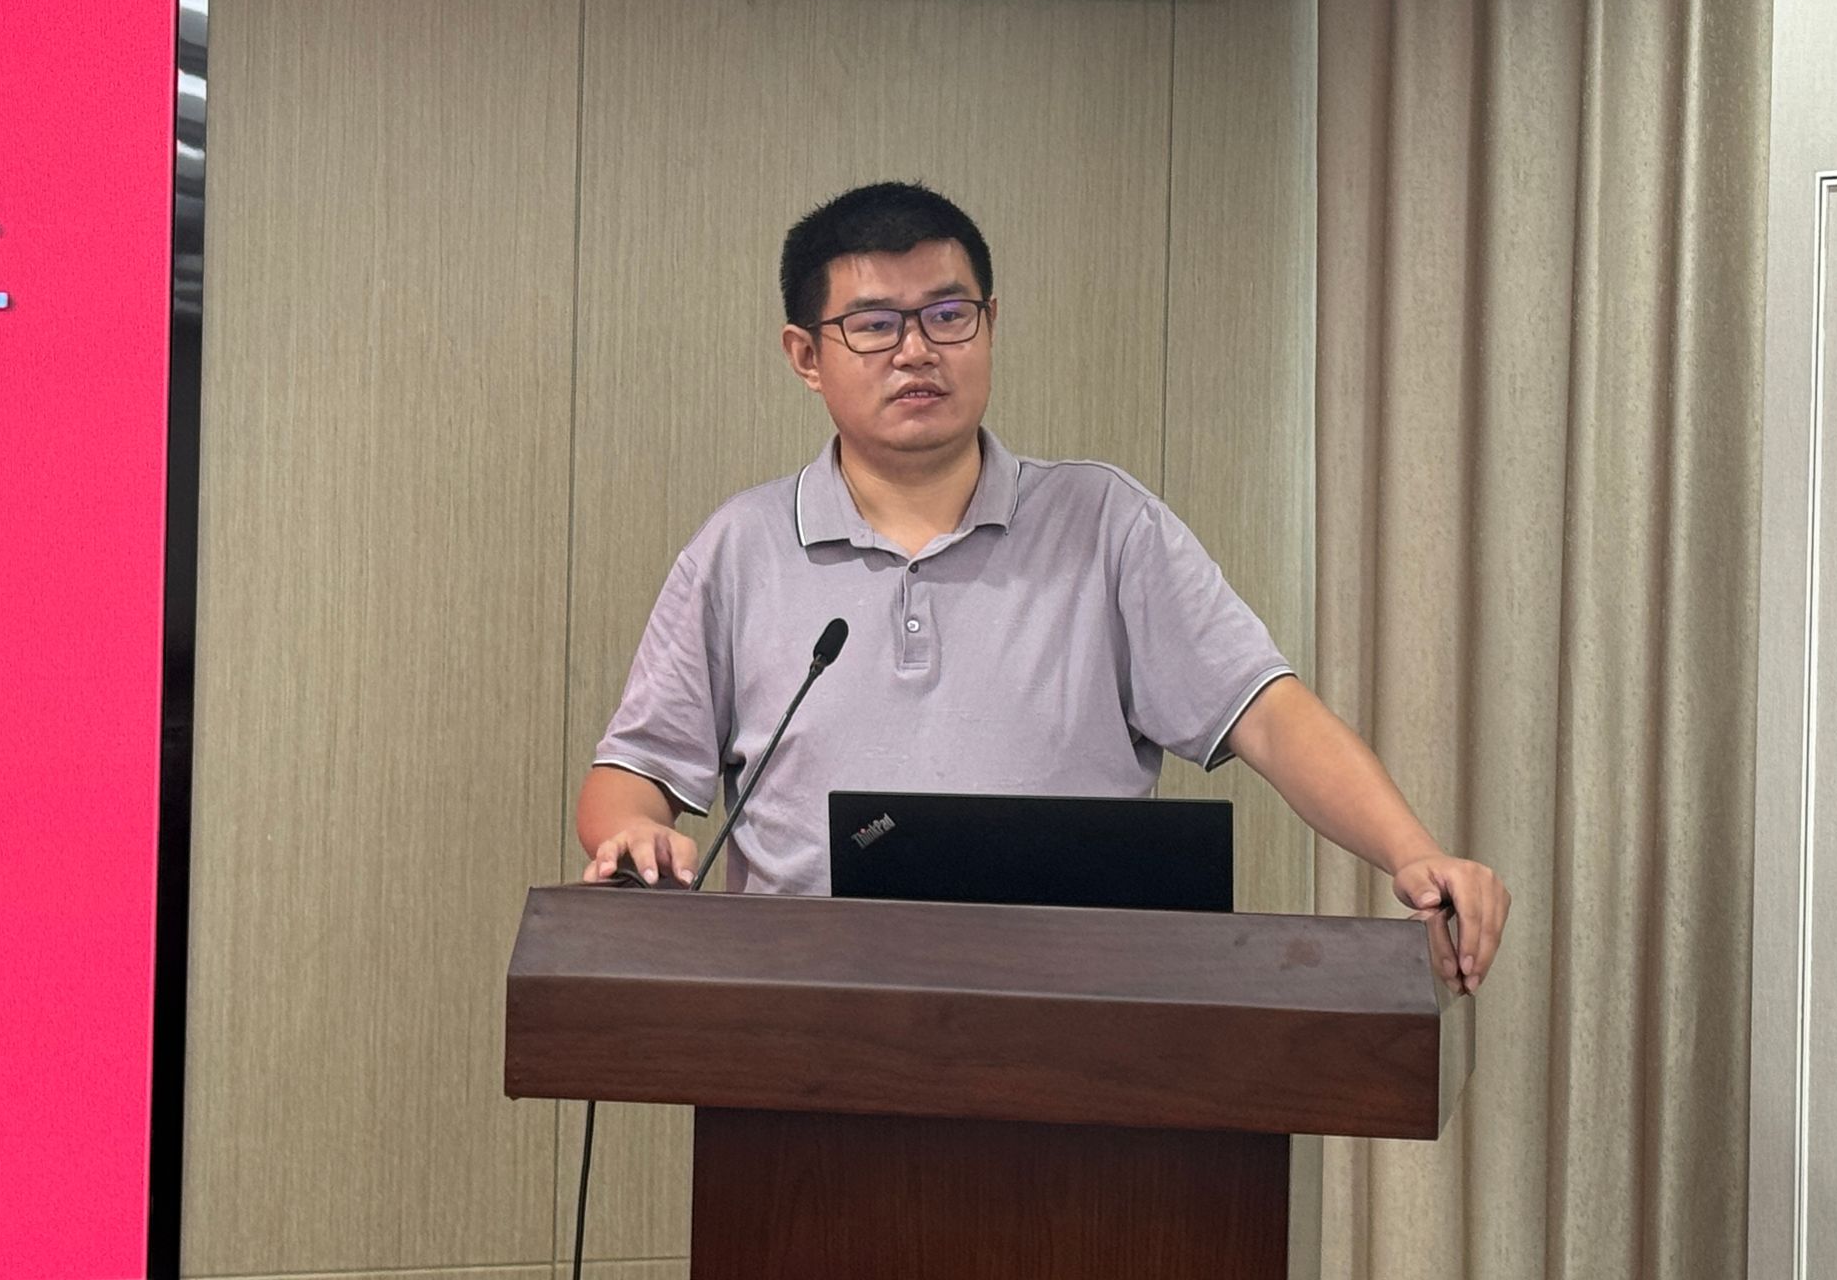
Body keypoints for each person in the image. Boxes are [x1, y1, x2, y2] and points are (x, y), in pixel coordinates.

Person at [575, 182, 1510, 994]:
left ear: (990, 323)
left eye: (948, 315)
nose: (916, 351)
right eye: (874, 324)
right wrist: (635, 838)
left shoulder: (1103, 524)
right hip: (807, 1022)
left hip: (1088, 1015)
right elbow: (634, 774)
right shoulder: (741, 548)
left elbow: (1267, 714)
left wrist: (1414, 853)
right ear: (805, 355)